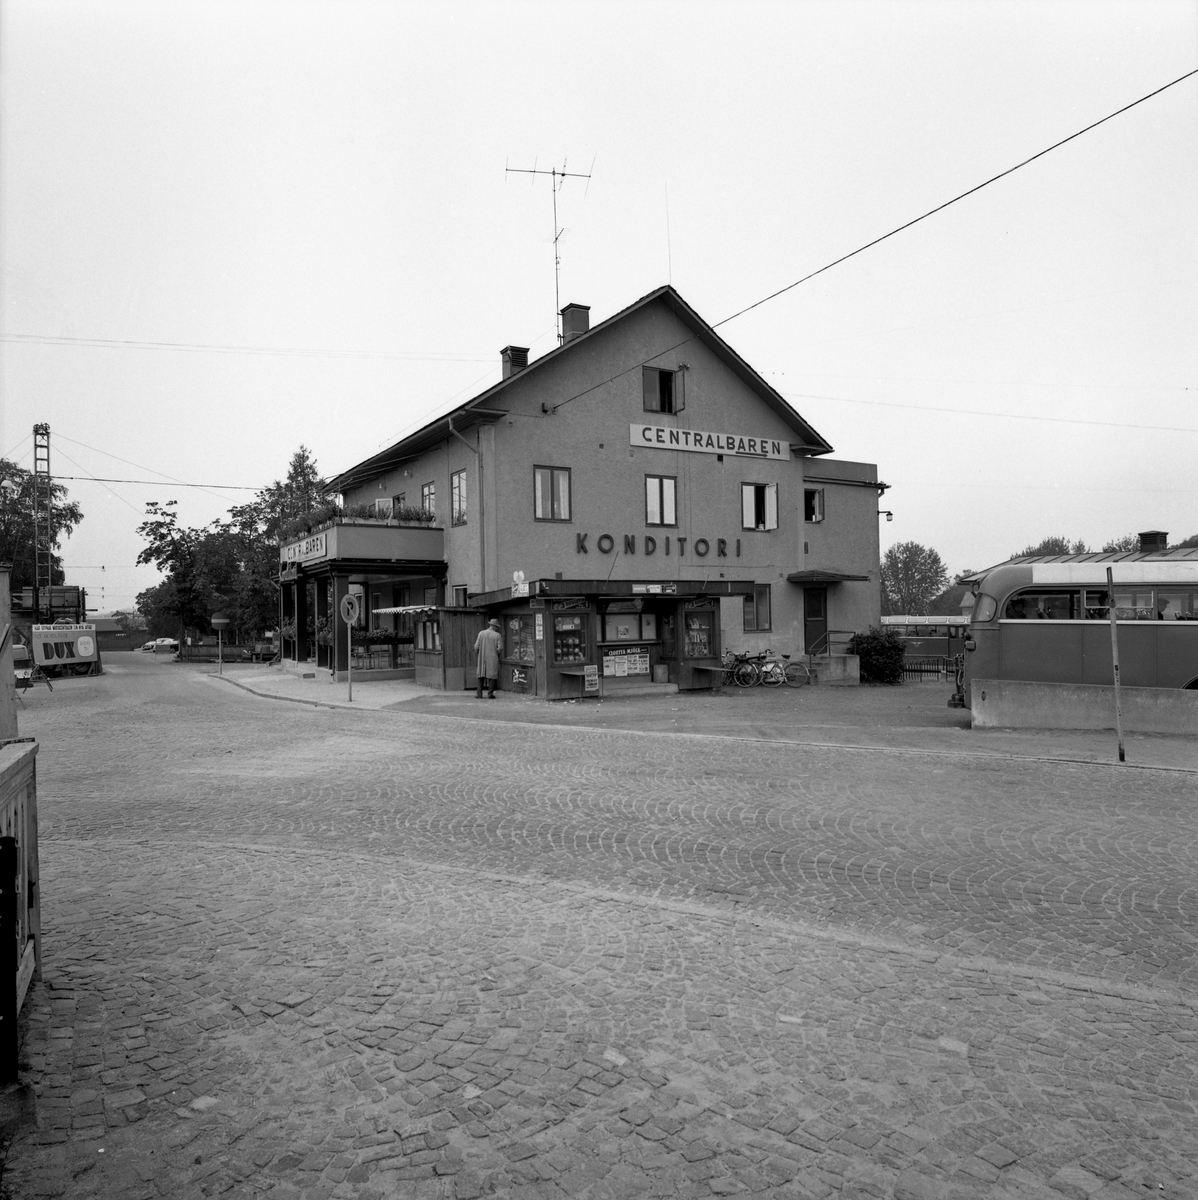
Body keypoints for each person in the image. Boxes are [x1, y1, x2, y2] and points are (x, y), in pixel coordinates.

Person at [474, 618, 502, 698]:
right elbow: (500, 648)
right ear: (494, 627)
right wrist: (497, 655)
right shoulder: (497, 635)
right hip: (493, 657)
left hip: (481, 657)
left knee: (481, 675)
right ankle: (490, 694)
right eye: (497, 627)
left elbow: (476, 646)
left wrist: (478, 653)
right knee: (492, 675)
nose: (497, 628)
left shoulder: (481, 633)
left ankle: (479, 694)